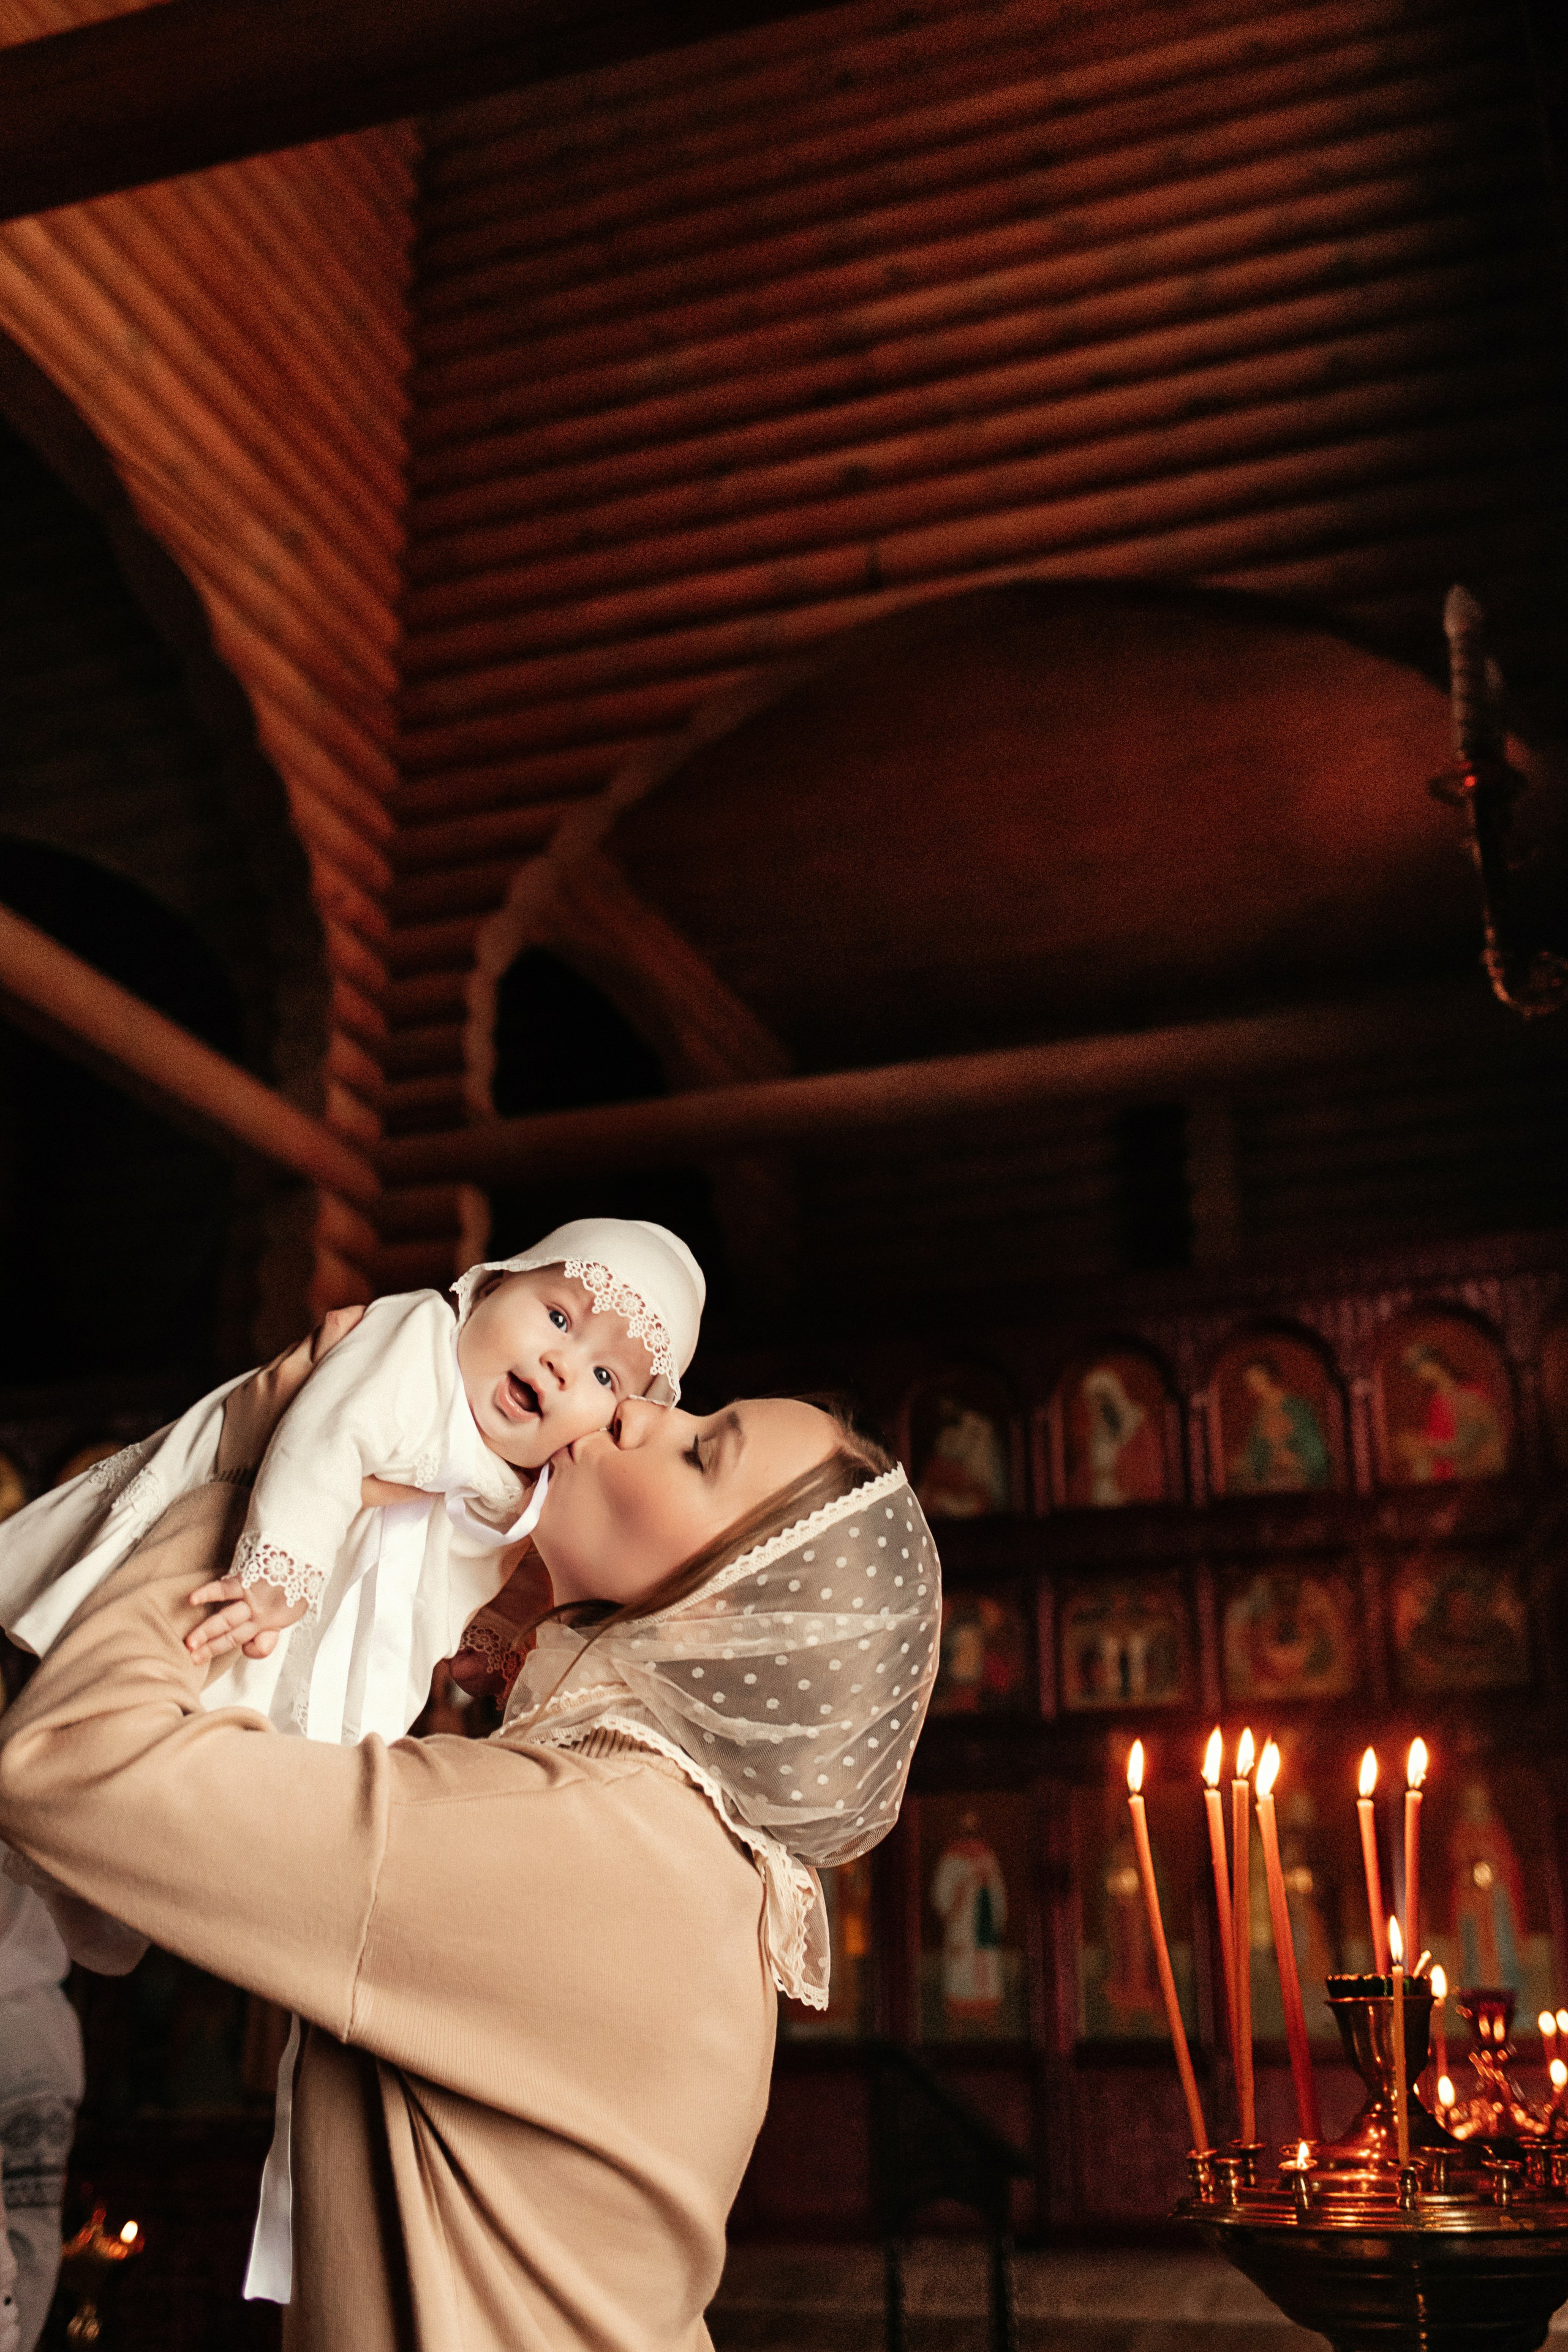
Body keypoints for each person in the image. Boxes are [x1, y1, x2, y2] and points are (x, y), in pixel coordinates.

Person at [0, 1320, 940, 2350]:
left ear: (729, 1618)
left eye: (699, 1451)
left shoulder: (575, 1842)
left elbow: (70, 1763)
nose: (639, 1410)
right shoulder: (684, 1848)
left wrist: (266, 1470)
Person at [0, 1216, 705, 1747]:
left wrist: (495, 1643)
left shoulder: (524, 1486)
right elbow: (327, 1434)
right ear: (488, 1287)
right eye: (557, 1316)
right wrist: (284, 1564)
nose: (562, 1362)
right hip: (249, 1571)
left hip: (340, 1670)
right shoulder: (418, 1340)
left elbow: (486, 1578)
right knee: (137, 1714)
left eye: (603, 1375)